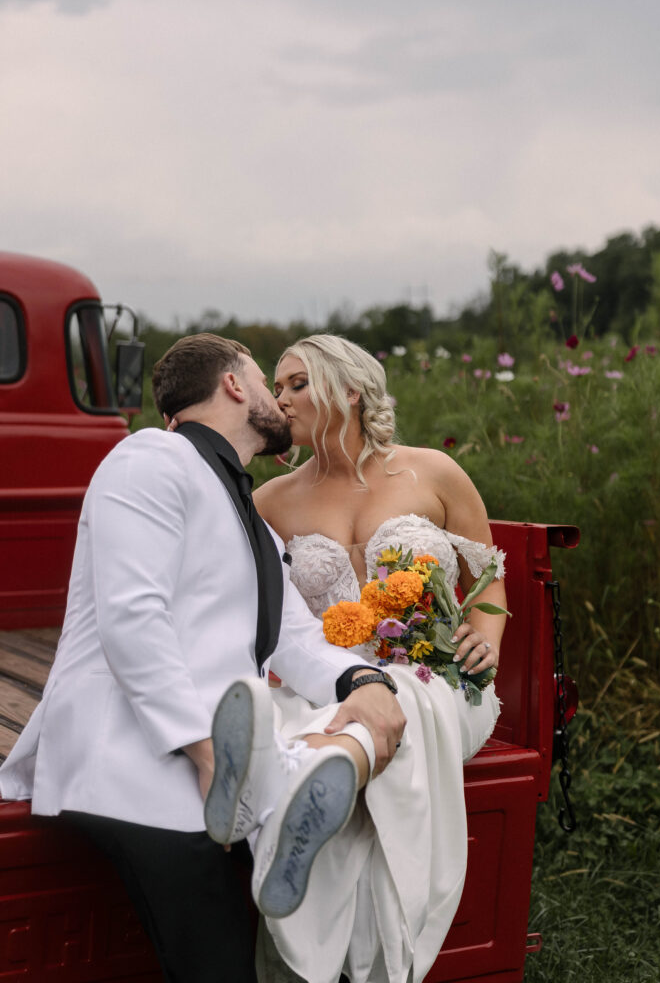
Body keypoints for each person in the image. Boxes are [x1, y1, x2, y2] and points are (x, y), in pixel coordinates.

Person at [0, 333, 406, 983]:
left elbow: (294, 641)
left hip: (221, 777)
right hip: (136, 768)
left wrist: (364, 679)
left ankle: (287, 803)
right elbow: (133, 619)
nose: (277, 397)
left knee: (371, 709)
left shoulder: (249, 517)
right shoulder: (147, 459)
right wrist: (207, 753)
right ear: (233, 384)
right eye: (263, 379)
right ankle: (280, 799)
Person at [253, 334, 507, 983]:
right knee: (314, 707)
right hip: (330, 688)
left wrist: (485, 633)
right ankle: (316, 787)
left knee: (397, 689)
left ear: (349, 390)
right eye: (276, 386)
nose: (279, 398)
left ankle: (313, 775)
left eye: (294, 383)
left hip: (440, 681)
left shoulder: (433, 472)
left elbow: (488, 578)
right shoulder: (271, 500)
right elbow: (255, 609)